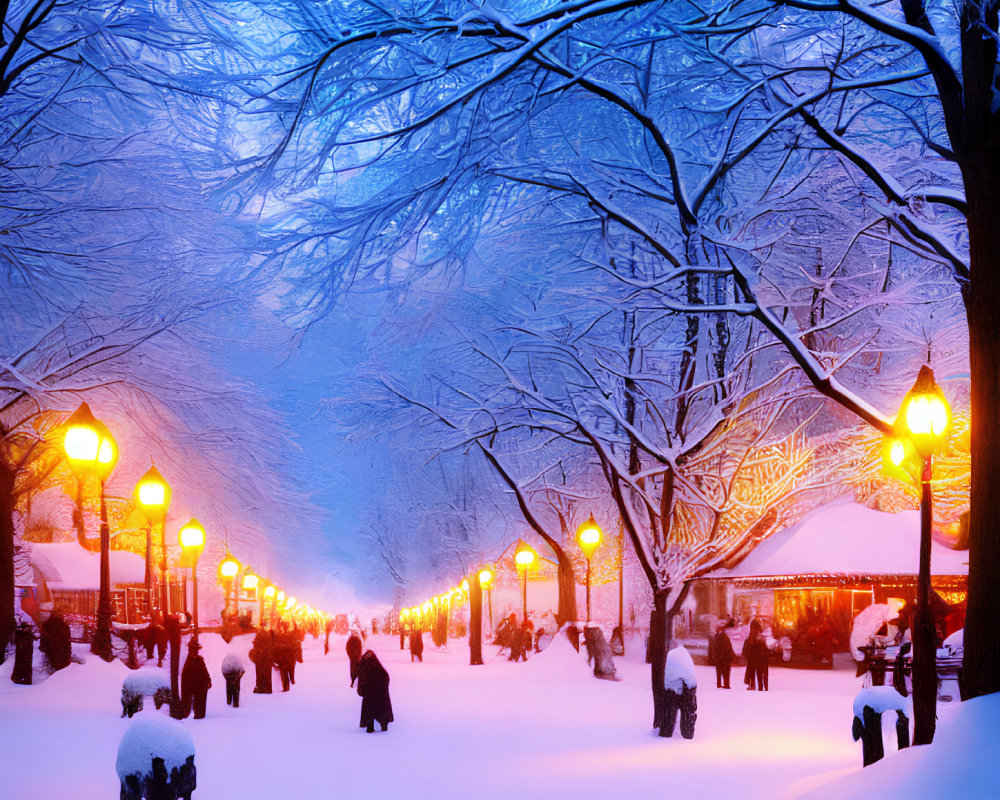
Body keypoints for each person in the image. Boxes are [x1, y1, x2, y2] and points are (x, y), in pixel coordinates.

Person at [356, 650, 393, 732]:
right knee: (382, 707)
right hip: (379, 690)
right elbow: (385, 676)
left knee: (369, 709)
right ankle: (383, 725)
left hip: (369, 691)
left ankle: (370, 726)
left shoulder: (363, 663)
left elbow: (361, 678)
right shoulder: (378, 666)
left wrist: (361, 690)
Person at [180, 639, 212, 719]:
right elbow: (186, 675)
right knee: (194, 700)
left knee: (200, 700)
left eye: (196, 650)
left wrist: (208, 680)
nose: (195, 652)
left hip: (200, 684)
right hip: (194, 684)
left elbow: (204, 671)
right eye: (194, 650)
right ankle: (194, 713)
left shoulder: (199, 660)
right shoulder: (189, 661)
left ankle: (199, 714)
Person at [712, 620, 736, 689]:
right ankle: (726, 684)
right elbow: (728, 648)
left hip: (719, 657)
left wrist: (715, 656)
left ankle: (719, 683)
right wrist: (731, 657)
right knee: (726, 671)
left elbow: (715, 648)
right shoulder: (725, 638)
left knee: (719, 670)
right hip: (725, 658)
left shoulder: (716, 638)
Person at [249, 628, 274, 694]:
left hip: (260, 657)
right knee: (267, 674)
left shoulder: (259, 635)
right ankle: (267, 688)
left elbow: (256, 645)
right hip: (267, 657)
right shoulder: (268, 635)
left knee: (260, 673)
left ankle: (260, 687)